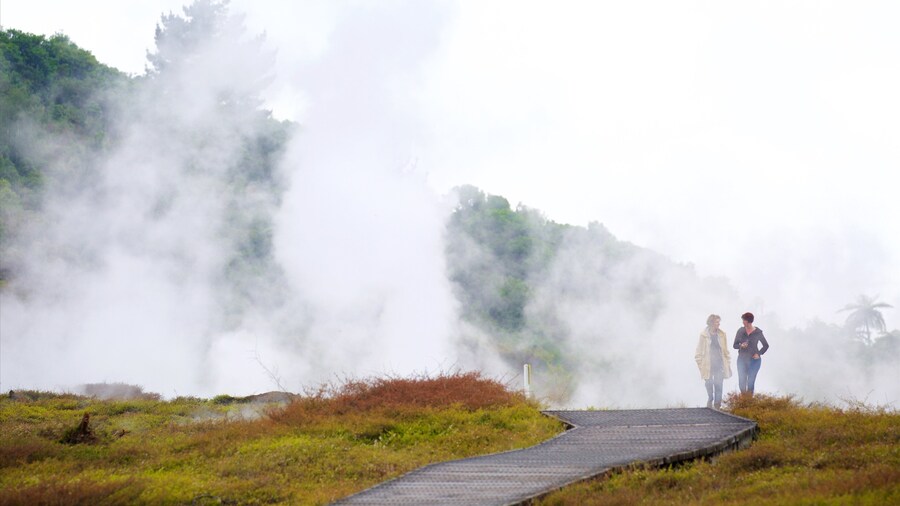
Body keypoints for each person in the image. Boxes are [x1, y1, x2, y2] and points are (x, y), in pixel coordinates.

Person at [695, 314, 732, 408]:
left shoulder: (722, 334)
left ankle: (717, 406)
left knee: (719, 385)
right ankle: (710, 399)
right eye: (717, 322)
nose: (719, 324)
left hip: (719, 364)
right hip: (708, 365)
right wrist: (701, 366)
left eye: (719, 322)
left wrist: (727, 363)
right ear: (711, 323)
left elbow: (725, 350)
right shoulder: (703, 335)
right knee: (709, 384)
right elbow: (698, 352)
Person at [733, 312, 769, 395]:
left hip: (754, 360)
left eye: (744, 320)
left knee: (750, 381)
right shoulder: (741, 331)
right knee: (742, 381)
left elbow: (766, 345)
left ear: (748, 321)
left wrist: (759, 353)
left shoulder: (758, 332)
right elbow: (735, 345)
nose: (742, 322)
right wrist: (741, 345)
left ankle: (749, 400)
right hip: (742, 359)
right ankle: (743, 398)